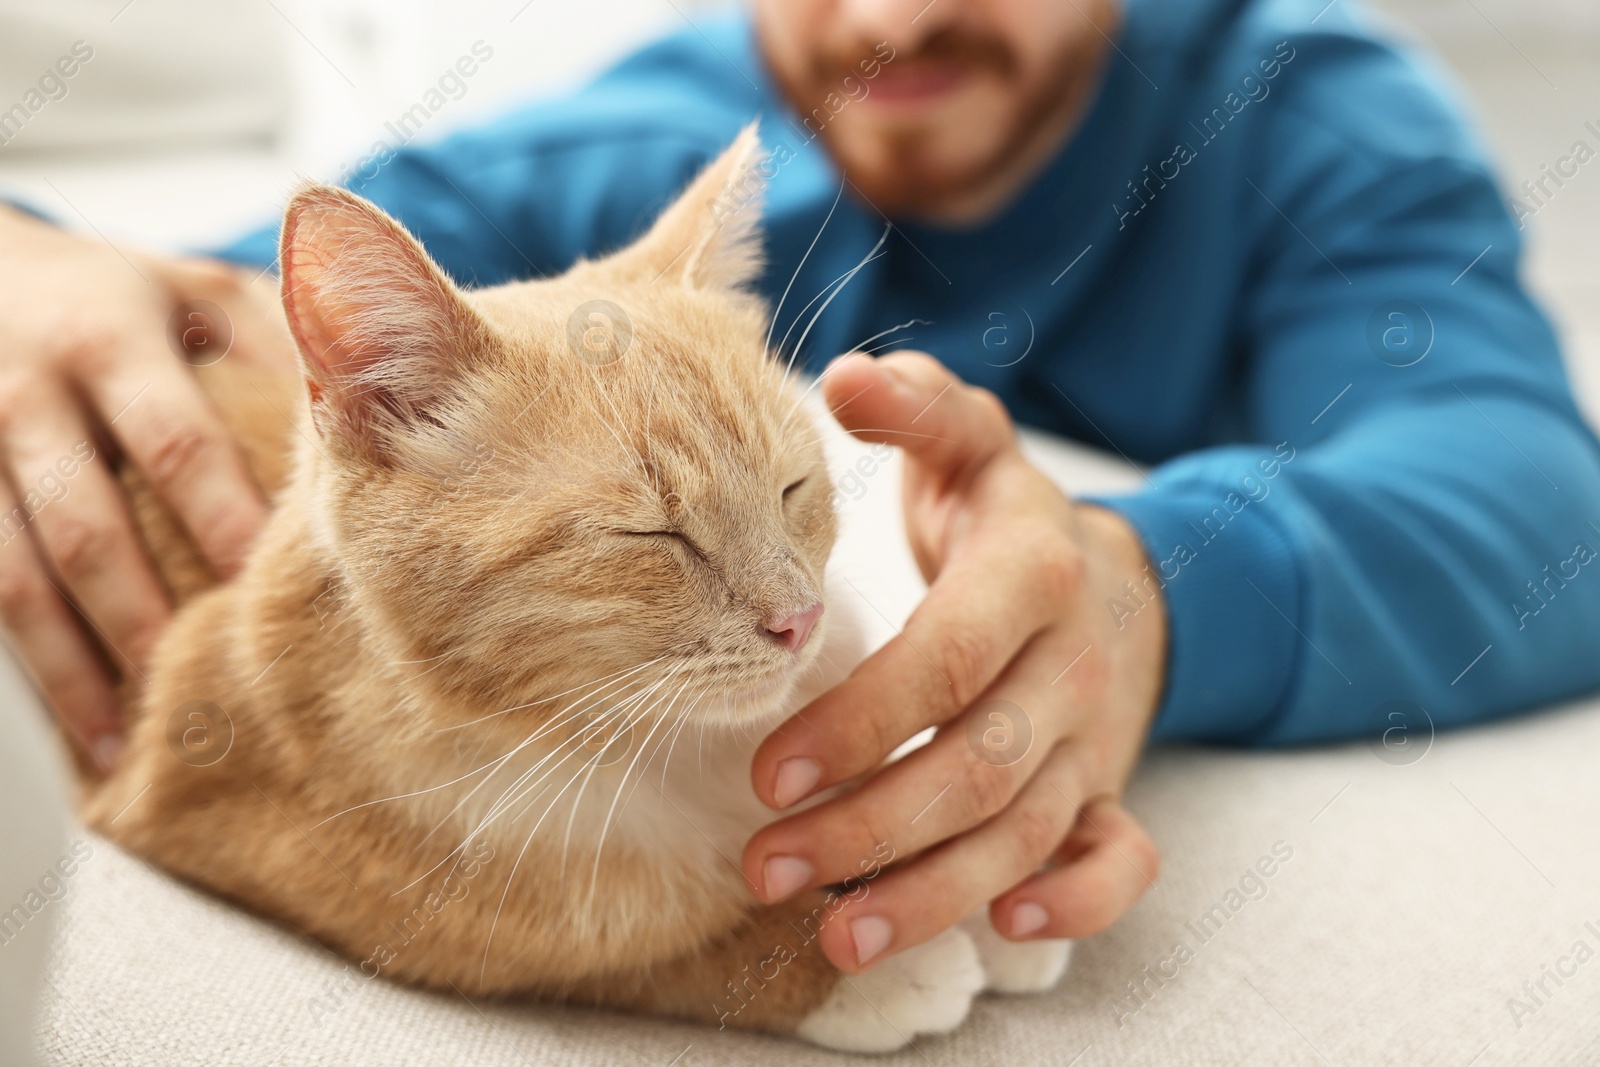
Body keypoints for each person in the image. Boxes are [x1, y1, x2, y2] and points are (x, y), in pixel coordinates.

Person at [4, 0, 1600, 979]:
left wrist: (1149, 588)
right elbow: (262, 297)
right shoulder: (689, 128)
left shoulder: (1312, 112)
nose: (890, 14)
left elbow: (1537, 487)